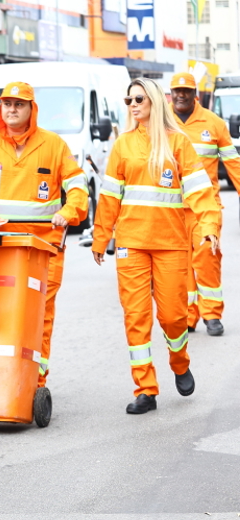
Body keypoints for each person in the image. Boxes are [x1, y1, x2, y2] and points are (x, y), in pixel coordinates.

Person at [92, 78, 220, 414]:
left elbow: (200, 191)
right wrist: (101, 235)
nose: (133, 105)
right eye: (128, 100)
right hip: (131, 244)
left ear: (153, 101)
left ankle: (179, 362)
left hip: (170, 244)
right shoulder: (122, 145)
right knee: (136, 317)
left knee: (175, 317)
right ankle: (145, 388)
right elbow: (109, 197)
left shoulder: (178, 144)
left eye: (138, 99)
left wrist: (208, 225)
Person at [0, 81, 88, 388]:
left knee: (39, 316)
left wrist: (68, 213)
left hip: (44, 248)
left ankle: (35, 381)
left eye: (19, 104)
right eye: (7, 104)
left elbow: (78, 188)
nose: (12, 109)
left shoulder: (54, 145)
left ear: (32, 109)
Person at [169, 72, 240, 336]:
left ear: (195, 93)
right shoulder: (160, 122)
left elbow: (234, 164)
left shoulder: (214, 124)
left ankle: (211, 313)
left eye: (186, 90)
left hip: (204, 208)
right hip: (170, 209)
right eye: (177, 90)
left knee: (208, 259)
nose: (181, 95)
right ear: (171, 92)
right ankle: (188, 315)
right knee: (179, 265)